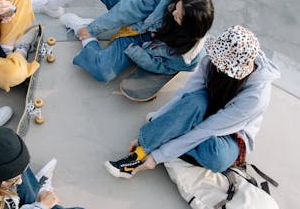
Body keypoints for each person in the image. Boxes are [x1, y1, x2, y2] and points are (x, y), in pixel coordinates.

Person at [104, 25, 280, 177]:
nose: (217, 67)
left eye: (223, 66)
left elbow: (206, 129)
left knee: (216, 158)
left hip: (230, 132)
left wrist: (157, 157)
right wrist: (151, 132)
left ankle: (174, 130)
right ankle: (148, 146)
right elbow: (185, 94)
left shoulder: (256, 96)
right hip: (204, 107)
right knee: (193, 102)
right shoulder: (213, 59)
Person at [32, 0, 214, 82]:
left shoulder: (189, 55)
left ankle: (80, 28)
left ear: (189, 28)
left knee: (102, 71)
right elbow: (131, 8)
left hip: (140, 43)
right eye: (177, 7)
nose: (174, 11)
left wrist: (136, 53)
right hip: (137, 19)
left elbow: (162, 66)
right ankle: (51, 6)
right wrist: (94, 27)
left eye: (179, 15)